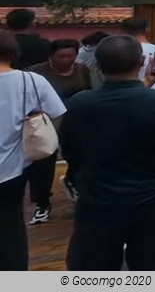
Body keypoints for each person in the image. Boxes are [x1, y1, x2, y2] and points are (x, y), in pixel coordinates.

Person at [60, 35, 155, 270]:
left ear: (98, 64)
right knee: (148, 266)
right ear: (141, 60)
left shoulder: (79, 103)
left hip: (98, 200)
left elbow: (69, 148)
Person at [0, 30, 67, 270]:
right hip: (13, 171)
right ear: (13, 52)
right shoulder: (31, 81)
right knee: (11, 231)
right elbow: (58, 114)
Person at [25, 39, 91, 225]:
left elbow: (90, 91)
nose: (66, 60)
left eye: (71, 56)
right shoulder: (35, 72)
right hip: (47, 123)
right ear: (51, 56)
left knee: (79, 157)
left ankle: (74, 184)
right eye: (61, 56)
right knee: (42, 164)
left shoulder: (82, 70)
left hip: (76, 122)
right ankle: (42, 203)